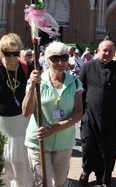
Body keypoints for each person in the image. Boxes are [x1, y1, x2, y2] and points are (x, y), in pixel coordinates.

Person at [22, 41, 83, 187]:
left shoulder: (74, 82)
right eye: (55, 58)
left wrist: (54, 128)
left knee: (61, 183)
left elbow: (78, 113)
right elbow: (26, 112)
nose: (60, 62)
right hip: (39, 142)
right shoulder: (38, 80)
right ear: (48, 60)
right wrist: (31, 87)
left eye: (64, 58)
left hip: (63, 142)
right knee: (42, 184)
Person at [0, 33, 33, 186]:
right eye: (7, 54)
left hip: (22, 121)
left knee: (22, 161)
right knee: (1, 163)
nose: (11, 57)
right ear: (1, 52)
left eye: (15, 53)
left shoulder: (26, 67)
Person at [78, 40, 116, 187]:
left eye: (110, 51)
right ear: (98, 51)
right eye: (104, 50)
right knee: (89, 145)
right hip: (90, 115)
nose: (107, 54)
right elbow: (80, 91)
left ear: (114, 53)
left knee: (108, 148)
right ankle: (86, 171)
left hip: (113, 116)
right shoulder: (88, 67)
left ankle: (104, 178)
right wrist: (79, 112)